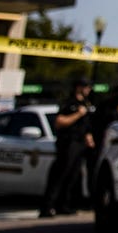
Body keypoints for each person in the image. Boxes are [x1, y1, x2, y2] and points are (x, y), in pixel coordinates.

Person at [40, 78, 95, 218]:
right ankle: (47, 207)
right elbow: (59, 122)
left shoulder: (85, 103)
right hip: (68, 143)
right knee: (59, 175)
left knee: (73, 176)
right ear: (78, 87)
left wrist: (88, 137)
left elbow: (85, 125)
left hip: (79, 143)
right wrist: (78, 114)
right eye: (86, 87)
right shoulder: (69, 103)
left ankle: (64, 205)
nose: (88, 90)